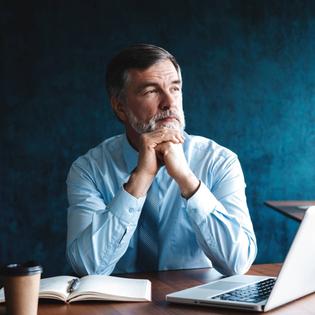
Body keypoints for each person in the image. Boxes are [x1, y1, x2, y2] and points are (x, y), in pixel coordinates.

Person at [66, 44, 257, 276]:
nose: (169, 102)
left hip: (197, 303)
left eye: (175, 89)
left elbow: (238, 263)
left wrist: (188, 181)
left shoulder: (219, 162)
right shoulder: (89, 170)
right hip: (118, 307)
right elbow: (87, 268)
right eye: (150, 91)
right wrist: (140, 179)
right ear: (120, 107)